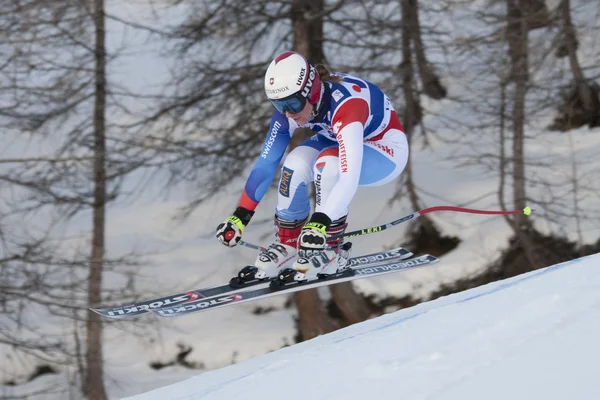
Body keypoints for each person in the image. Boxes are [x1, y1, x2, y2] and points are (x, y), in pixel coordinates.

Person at [216, 51, 409, 282]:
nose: (287, 112)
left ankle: (330, 250)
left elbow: (348, 176)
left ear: (312, 92)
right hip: (336, 139)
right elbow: (267, 163)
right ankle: (288, 244)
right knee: (294, 164)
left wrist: (321, 221)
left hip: (384, 149)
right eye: (278, 105)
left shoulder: (347, 107)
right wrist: (241, 215)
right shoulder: (293, 109)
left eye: (292, 103)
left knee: (328, 163)